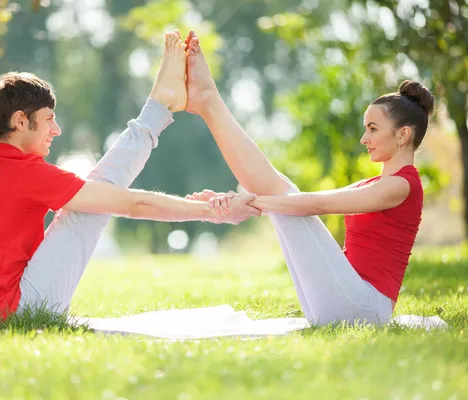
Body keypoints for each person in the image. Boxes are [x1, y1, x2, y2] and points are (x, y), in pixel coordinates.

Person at [0, 32, 259, 328]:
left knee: (91, 195)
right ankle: (160, 106)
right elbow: (133, 204)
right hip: (13, 313)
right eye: (49, 118)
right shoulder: (22, 174)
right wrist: (213, 212)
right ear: (21, 121)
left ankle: (160, 105)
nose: (56, 129)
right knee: (90, 202)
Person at [183, 30, 433, 326]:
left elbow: (316, 204)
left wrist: (250, 202)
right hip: (348, 299)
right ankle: (209, 103)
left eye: (373, 129)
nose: (364, 138)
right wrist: (249, 201)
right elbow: (304, 201)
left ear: (403, 134)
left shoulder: (403, 185)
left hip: (365, 308)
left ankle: (210, 102)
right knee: (286, 195)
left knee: (288, 198)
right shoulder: (376, 183)